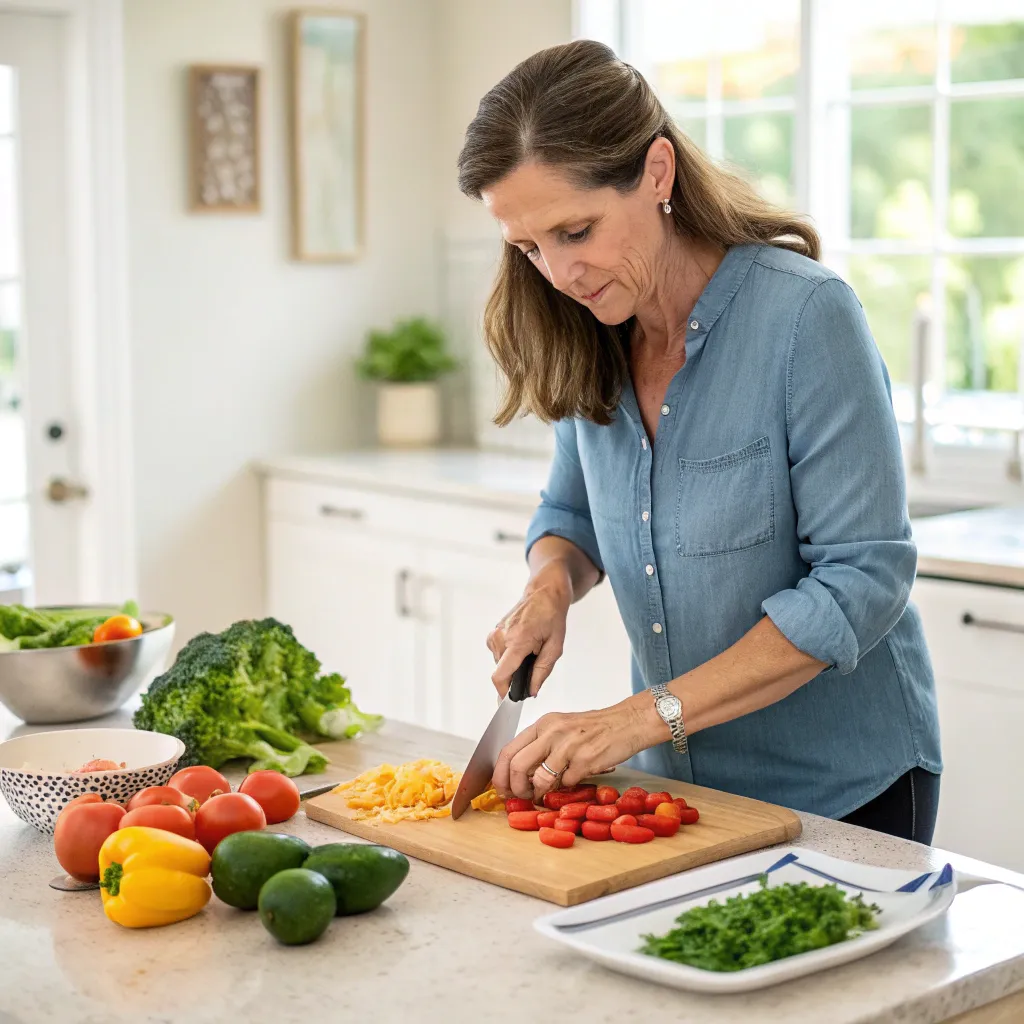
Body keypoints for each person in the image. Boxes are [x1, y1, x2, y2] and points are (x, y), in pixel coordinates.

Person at [457, 40, 942, 843]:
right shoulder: (593, 332)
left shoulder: (804, 320)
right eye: (530, 248)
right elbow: (572, 513)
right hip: (678, 792)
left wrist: (638, 719)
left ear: (656, 172)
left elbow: (862, 578)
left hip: (841, 786)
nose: (560, 273)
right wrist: (548, 589)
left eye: (576, 230)